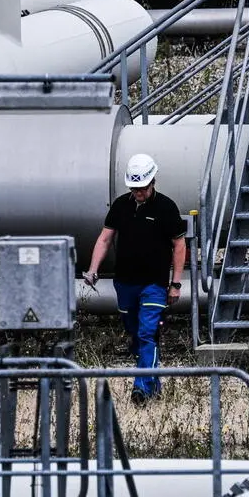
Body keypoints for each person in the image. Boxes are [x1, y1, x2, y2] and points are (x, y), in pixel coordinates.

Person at [84, 153, 187, 404]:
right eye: (134, 188)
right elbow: (105, 239)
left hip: (154, 283)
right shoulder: (120, 206)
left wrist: (175, 284)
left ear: (153, 182)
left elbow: (179, 245)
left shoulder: (166, 207)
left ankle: (140, 388)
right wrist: (93, 269)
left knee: (147, 333)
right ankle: (154, 383)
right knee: (135, 335)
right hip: (125, 282)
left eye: (142, 188)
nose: (138, 192)